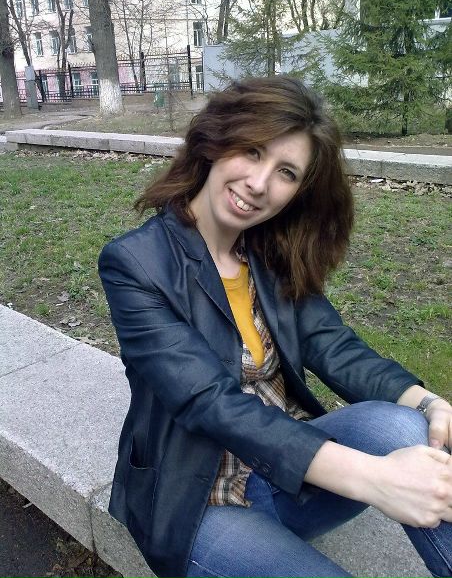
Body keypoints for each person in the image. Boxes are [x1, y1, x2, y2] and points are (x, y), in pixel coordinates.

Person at [98, 76, 452, 578]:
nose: (259, 183)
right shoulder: (137, 264)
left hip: (283, 477)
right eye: (252, 151)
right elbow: (209, 402)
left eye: (285, 172)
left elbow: (334, 346)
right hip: (199, 500)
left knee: (409, 427)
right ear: (215, 141)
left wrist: (430, 403)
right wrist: (375, 478)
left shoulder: (267, 251)